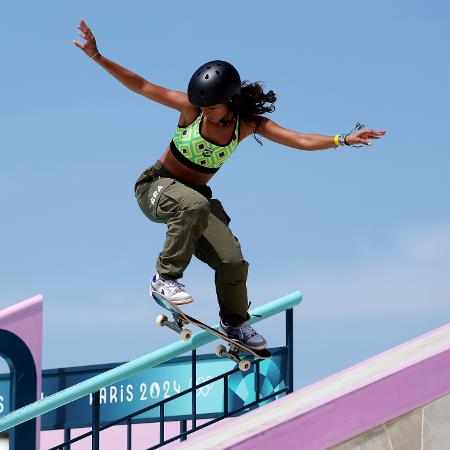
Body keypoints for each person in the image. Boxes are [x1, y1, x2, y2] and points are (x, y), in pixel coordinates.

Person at [73, 20, 385, 350]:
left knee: (232, 260)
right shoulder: (189, 109)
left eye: (212, 107)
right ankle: (165, 278)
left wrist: (342, 139)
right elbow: (141, 85)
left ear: (229, 102)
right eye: (202, 107)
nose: (205, 113)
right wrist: (97, 56)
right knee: (194, 204)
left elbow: (299, 139)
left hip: (195, 200)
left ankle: (236, 324)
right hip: (155, 187)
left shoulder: (247, 125)